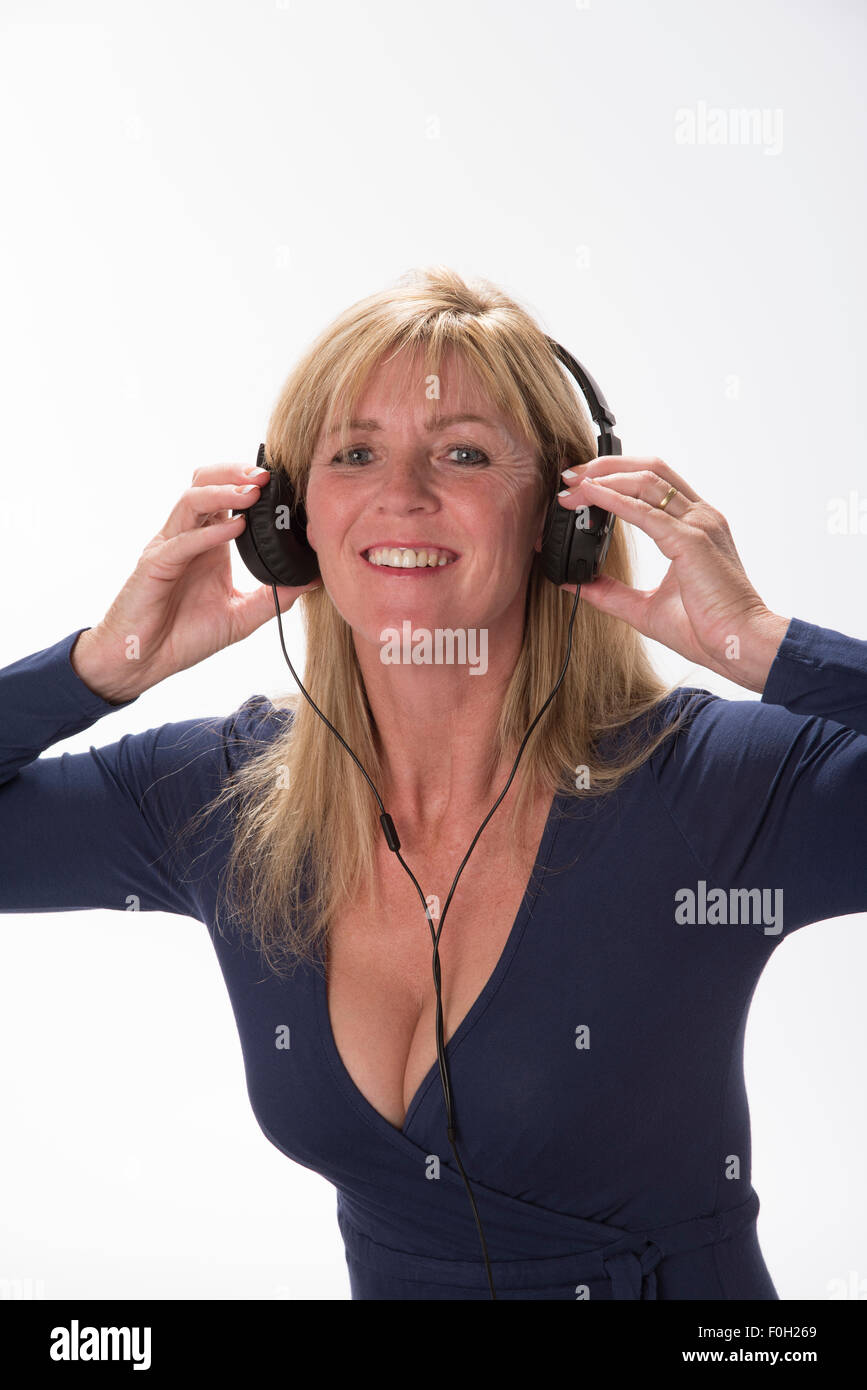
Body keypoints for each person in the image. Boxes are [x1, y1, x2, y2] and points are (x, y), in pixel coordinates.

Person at [1, 266, 865, 1300]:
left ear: (561, 516)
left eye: (461, 452)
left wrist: (768, 648)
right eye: (355, 453)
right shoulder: (228, 798)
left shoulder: (710, 788)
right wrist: (100, 666)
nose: (401, 492)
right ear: (289, 520)